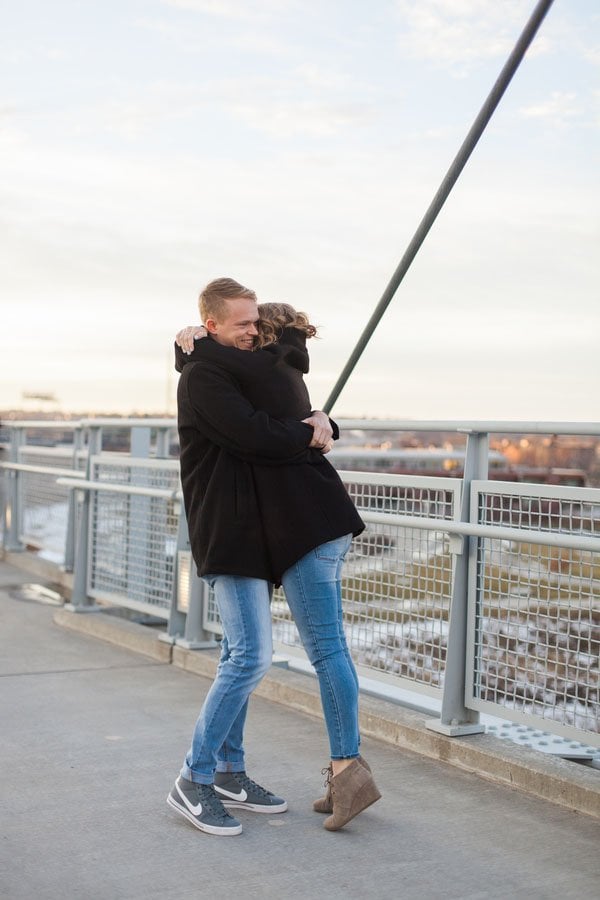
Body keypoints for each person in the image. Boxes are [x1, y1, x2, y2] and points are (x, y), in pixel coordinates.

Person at [168, 277, 381, 836]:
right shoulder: (218, 373)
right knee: (248, 657)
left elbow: (267, 412)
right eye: (242, 324)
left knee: (245, 654)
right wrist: (317, 430)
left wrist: (321, 427)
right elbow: (251, 430)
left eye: (256, 324)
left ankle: (229, 772)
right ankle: (198, 776)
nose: (251, 332)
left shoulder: (252, 368)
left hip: (269, 530)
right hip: (235, 531)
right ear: (213, 325)